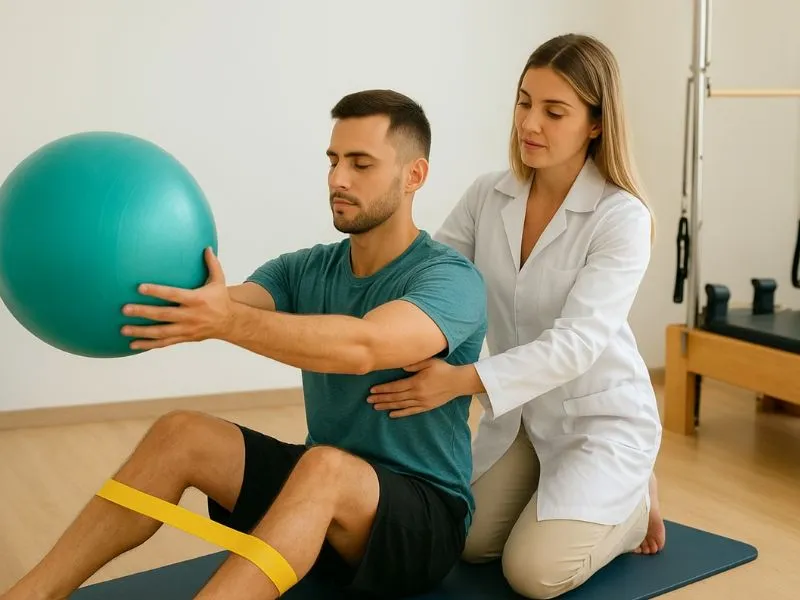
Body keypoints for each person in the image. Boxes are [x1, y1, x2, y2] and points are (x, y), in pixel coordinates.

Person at [1, 89, 488, 600]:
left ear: (414, 176)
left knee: (325, 467)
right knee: (180, 433)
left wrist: (225, 321)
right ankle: (32, 594)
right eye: (334, 160)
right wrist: (143, 301)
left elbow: (364, 346)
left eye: (361, 164)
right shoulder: (306, 268)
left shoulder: (449, 280)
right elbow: (222, 304)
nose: (338, 179)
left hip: (419, 528)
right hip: (319, 503)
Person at [368, 34, 664, 599]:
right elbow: (437, 274)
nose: (530, 122)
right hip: (521, 419)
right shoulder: (489, 195)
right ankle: (553, 496)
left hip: (597, 421)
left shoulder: (621, 217)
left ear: (596, 124)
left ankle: (633, 503)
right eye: (525, 102)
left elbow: (576, 344)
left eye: (555, 112)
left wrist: (455, 381)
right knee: (466, 540)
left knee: (532, 574)